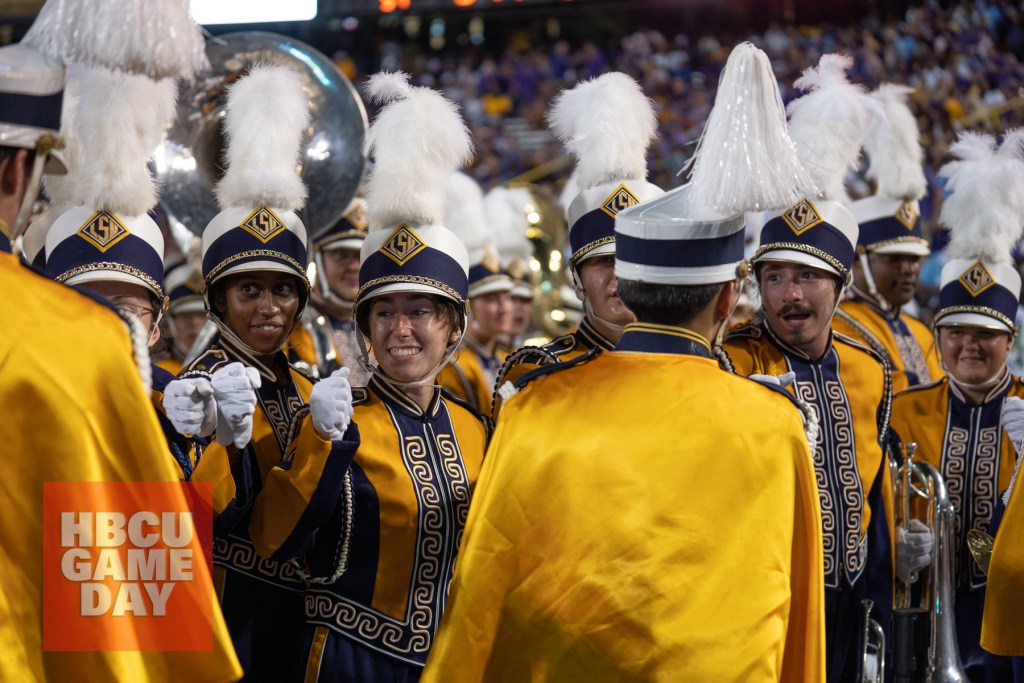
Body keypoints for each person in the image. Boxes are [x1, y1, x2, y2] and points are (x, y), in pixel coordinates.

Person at [425, 43, 825, 682]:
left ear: (634, 288)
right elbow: (796, 603)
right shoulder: (772, 421)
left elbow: (486, 579)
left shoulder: (536, 405)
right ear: (728, 296)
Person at [0, 37, 241, 683]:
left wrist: (210, 449)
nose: (112, 320)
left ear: (158, 322)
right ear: (15, 172)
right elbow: (143, 611)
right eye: (92, 304)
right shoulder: (70, 349)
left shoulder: (178, 403)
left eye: (128, 306)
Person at [719, 54, 915, 682]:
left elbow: (873, 476)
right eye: (774, 276)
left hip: (857, 595)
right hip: (763, 596)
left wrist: (900, 554)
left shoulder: (870, 366)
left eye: (807, 277)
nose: (789, 295)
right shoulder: (733, 360)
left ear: (840, 285)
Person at [161, 65, 357, 681]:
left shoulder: (300, 378)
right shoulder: (193, 387)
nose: (269, 308)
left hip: (296, 619)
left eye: (282, 291)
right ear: (217, 301)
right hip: (225, 614)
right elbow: (202, 517)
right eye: (249, 290)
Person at [293, 72, 488, 681]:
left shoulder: (479, 427)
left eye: (420, 310)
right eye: (385, 312)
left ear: (452, 326)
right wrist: (321, 447)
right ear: (366, 325)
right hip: (346, 663)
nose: (401, 328)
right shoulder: (335, 419)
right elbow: (280, 540)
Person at [890, 130, 1024, 680]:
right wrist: (894, 547)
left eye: (985, 333)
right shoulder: (901, 411)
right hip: (927, 623)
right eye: (956, 331)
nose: (969, 345)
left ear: (1009, 340)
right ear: (938, 336)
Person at [492, 71, 664, 420]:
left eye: (633, 257)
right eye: (603, 262)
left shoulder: (699, 363)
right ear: (577, 279)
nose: (620, 275)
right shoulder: (534, 377)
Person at [835, 83, 943, 392]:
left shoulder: (921, 333)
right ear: (858, 261)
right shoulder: (839, 328)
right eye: (895, 259)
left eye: (913, 259)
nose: (909, 268)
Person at [437, 172, 513, 415]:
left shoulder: (507, 357)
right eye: (490, 299)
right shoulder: (453, 366)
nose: (503, 308)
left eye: (506, 297)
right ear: (466, 306)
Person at [288, 198, 367, 384]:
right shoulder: (289, 327)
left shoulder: (381, 326)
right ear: (317, 258)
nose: (355, 266)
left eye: (361, 256)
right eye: (342, 255)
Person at [156, 260, 207, 376]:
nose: (194, 322)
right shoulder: (156, 374)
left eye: (202, 314)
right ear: (170, 323)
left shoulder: (230, 370)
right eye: (185, 316)